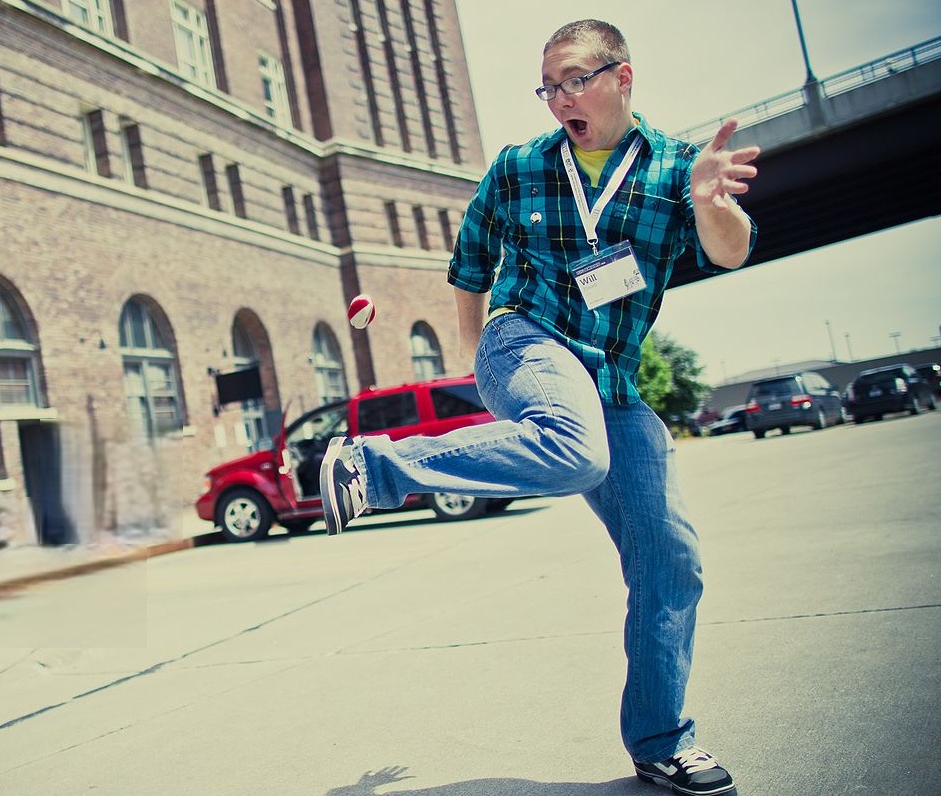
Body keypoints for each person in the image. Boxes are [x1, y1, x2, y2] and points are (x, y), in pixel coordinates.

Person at [320, 18, 759, 796]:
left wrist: (709, 201)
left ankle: (661, 740)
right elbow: (469, 265)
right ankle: (372, 465)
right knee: (574, 448)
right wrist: (475, 354)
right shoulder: (520, 166)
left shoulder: (673, 172)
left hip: (612, 382)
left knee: (671, 563)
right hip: (524, 342)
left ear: (623, 78)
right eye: (548, 86)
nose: (559, 99)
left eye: (574, 81)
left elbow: (729, 248)